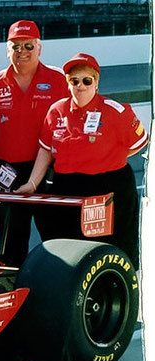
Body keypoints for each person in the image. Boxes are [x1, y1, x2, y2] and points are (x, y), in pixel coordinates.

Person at [17, 53, 146, 267]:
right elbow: (46, 150)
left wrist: (106, 159)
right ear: (68, 83)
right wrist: (31, 183)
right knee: (69, 252)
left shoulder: (116, 111)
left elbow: (138, 143)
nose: (81, 86)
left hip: (109, 188)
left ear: (96, 82)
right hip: (68, 187)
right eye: (74, 81)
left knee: (113, 252)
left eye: (87, 80)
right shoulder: (56, 111)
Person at [0, 20, 68, 265]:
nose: (22, 51)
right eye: (16, 46)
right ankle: (13, 290)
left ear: (39, 48)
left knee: (54, 237)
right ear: (7, 49)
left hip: (48, 170)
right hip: (8, 170)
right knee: (10, 241)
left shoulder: (57, 79)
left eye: (28, 46)